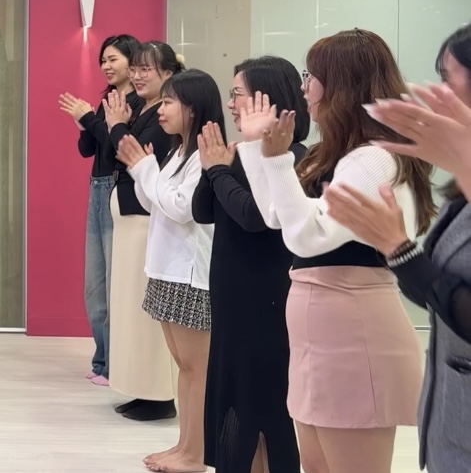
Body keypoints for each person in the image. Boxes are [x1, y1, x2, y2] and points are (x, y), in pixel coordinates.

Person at [237, 29, 432, 473]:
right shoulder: (337, 154)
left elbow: (307, 237)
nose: (304, 86)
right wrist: (258, 148)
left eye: (312, 76)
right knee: (317, 464)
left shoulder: (374, 158)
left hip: (352, 327)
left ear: (342, 83)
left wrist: (276, 158)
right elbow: (276, 215)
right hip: (322, 327)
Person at [324, 24, 471, 472]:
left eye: (448, 79)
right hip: (450, 418)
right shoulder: (458, 193)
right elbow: (435, 291)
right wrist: (399, 251)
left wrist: (399, 248)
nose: (437, 95)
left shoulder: (372, 159)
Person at [195, 57, 305, 473]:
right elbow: (203, 211)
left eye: (237, 94)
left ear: (266, 99)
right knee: (232, 396)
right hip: (231, 297)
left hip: (266, 299)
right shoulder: (239, 154)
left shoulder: (291, 157)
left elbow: (255, 217)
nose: (230, 104)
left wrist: (218, 172)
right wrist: (212, 169)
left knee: (263, 402)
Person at [116, 69, 223, 473]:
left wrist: (145, 169)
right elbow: (154, 201)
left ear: (193, 108)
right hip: (166, 270)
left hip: (190, 275)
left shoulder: (204, 156)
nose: (161, 110)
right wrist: (143, 170)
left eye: (170, 102)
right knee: (184, 366)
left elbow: (181, 208)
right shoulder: (178, 153)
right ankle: (184, 446)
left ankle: (196, 455)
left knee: (197, 368)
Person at [60, 33, 141, 384]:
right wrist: (83, 121)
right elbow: (88, 149)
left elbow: (116, 146)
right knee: (95, 284)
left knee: (113, 281)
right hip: (97, 188)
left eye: (113, 59)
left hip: (115, 188)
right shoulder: (108, 99)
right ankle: (102, 359)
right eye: (103, 61)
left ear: (132, 61)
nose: (107, 66)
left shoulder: (136, 103)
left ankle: (112, 364)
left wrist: (90, 119)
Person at [107, 40, 179, 422]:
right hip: (129, 220)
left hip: (146, 220)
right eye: (133, 68)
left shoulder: (163, 115)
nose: (136, 75)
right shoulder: (141, 108)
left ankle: (158, 395)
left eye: (145, 69)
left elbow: (131, 154)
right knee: (129, 307)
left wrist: (116, 126)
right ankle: (141, 388)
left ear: (168, 73)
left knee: (145, 309)